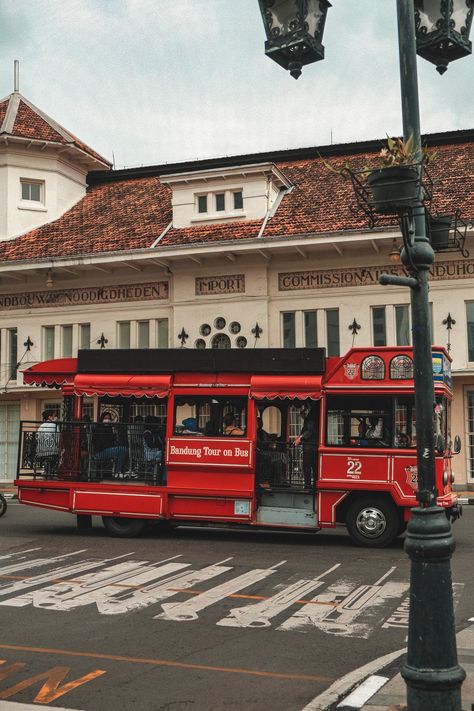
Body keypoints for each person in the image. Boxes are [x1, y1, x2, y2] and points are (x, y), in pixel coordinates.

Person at [92, 411, 127, 476]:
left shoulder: (108, 428)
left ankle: (119, 471)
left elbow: (111, 441)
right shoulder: (99, 428)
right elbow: (103, 442)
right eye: (105, 418)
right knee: (123, 449)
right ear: (102, 419)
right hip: (100, 452)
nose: (107, 420)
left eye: (108, 418)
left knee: (122, 450)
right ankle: (118, 471)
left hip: (106, 451)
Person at [294, 405, 318, 487]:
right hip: (313, 446)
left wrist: (300, 438)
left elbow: (310, 430)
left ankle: (308, 486)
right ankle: (313, 485)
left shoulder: (312, 414)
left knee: (307, 468)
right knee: (314, 469)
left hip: (310, 447)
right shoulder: (312, 414)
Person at [36, 409, 59, 477]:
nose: (56, 417)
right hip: (51, 450)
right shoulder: (54, 425)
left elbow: (37, 437)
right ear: (50, 417)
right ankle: (51, 473)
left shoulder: (41, 426)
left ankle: (46, 471)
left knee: (48, 459)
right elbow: (57, 438)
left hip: (40, 450)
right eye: (54, 416)